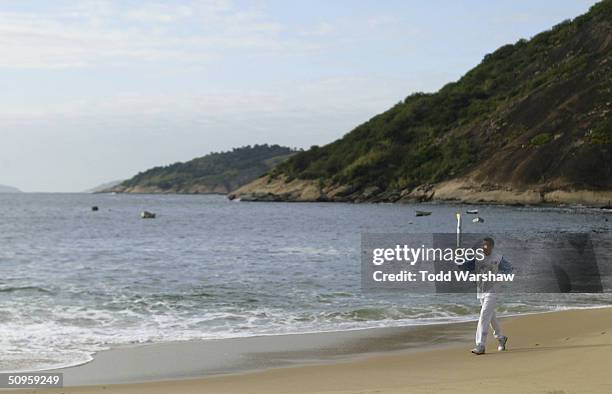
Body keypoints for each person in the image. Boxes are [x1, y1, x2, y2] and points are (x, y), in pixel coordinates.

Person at [460, 237, 513, 355]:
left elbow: (509, 269)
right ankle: (501, 338)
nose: (484, 248)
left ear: (492, 246)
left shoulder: (498, 258)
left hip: (493, 290)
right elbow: (464, 266)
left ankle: (480, 344)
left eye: (486, 246)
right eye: (482, 246)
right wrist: (458, 258)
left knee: (484, 314)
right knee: (490, 317)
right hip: (481, 290)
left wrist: (499, 277)